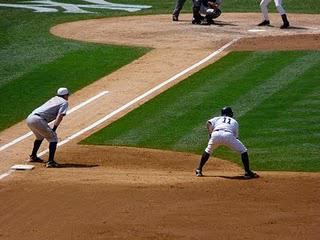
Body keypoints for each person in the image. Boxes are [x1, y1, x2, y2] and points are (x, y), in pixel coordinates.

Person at [195, 107, 259, 179]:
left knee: (208, 150)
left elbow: (208, 122)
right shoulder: (234, 121)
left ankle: (199, 170)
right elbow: (236, 137)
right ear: (230, 113)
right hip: (228, 135)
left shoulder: (217, 118)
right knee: (243, 151)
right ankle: (247, 172)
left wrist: (210, 133)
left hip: (215, 134)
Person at [26, 87, 69, 168]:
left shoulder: (54, 98)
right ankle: (50, 162)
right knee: (53, 138)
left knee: (40, 136)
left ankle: (33, 156)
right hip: (38, 120)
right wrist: (54, 128)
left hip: (30, 118)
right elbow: (60, 116)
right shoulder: (64, 102)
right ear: (66, 95)